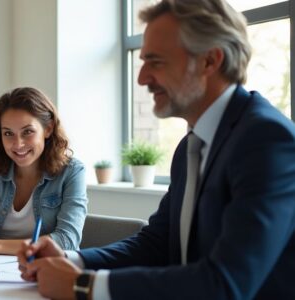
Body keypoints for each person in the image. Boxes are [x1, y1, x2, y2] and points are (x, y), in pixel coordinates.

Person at [17, 0, 295, 299]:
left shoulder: (267, 140)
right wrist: (72, 260)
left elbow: (226, 283)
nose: (142, 78)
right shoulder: (191, 146)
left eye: (156, 61)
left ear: (209, 61)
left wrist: (84, 285)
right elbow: (157, 243)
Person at [0, 87, 88, 255]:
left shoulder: (72, 172)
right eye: (8, 133)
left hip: (48, 269)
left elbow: (67, 241)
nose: (18, 144)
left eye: (28, 132)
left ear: (48, 128)